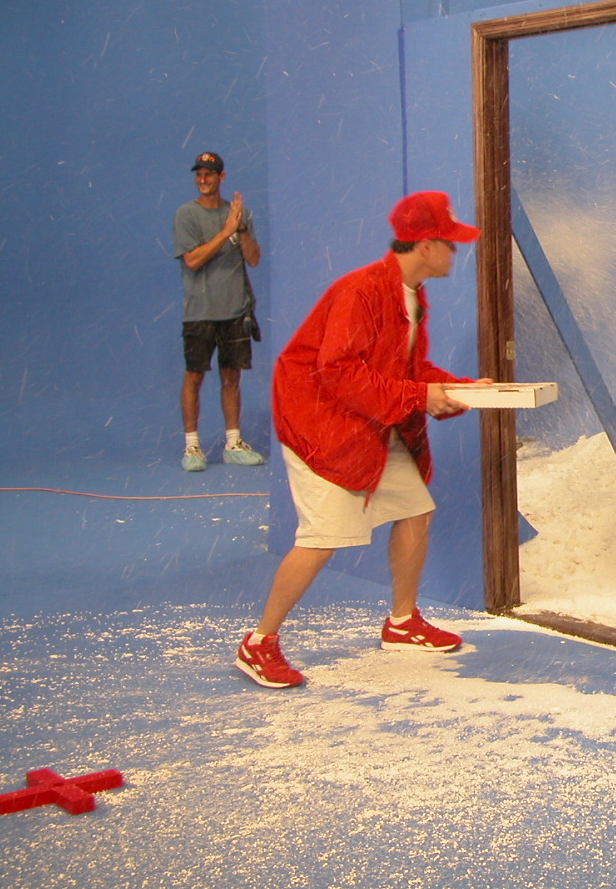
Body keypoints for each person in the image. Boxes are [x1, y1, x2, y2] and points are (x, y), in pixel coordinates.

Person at [235, 191, 487, 689]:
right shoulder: (362, 291)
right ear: (426, 245)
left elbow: (404, 369)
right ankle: (259, 642)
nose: (455, 253)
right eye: (450, 244)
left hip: (368, 422)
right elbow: (338, 372)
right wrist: (420, 395)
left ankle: (402, 622)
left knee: (415, 510)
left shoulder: (409, 293)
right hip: (323, 427)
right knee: (323, 539)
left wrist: (458, 388)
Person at [173, 152, 266, 472]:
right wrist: (226, 231)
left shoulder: (240, 214)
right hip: (199, 313)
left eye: (209, 174)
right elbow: (193, 260)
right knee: (194, 377)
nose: (203, 180)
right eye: (199, 175)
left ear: (221, 177)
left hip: (235, 311)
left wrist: (241, 229)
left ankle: (233, 442)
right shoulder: (186, 214)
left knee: (232, 376)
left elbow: (253, 259)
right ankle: (192, 446)